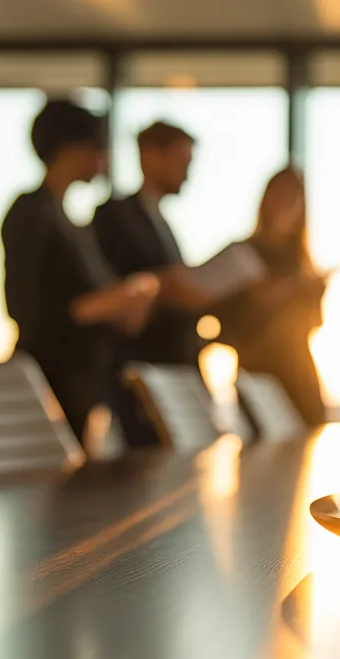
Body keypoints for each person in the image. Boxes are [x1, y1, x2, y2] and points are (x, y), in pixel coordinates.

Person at [1, 98, 160, 441]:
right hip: (51, 385)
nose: (104, 160)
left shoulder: (74, 225)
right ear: (71, 148)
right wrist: (105, 305)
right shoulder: (31, 212)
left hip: (85, 384)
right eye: (98, 147)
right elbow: (24, 308)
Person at [93, 121, 210, 447]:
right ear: (149, 156)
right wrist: (160, 286)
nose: (186, 174)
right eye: (181, 163)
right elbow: (111, 291)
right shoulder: (114, 216)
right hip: (143, 373)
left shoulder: (163, 224)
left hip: (177, 368)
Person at [214, 167, 328, 425]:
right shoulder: (241, 254)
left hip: (299, 372)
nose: (287, 203)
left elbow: (313, 322)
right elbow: (226, 320)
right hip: (257, 372)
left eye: (294, 196)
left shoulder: (301, 261)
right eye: (281, 194)